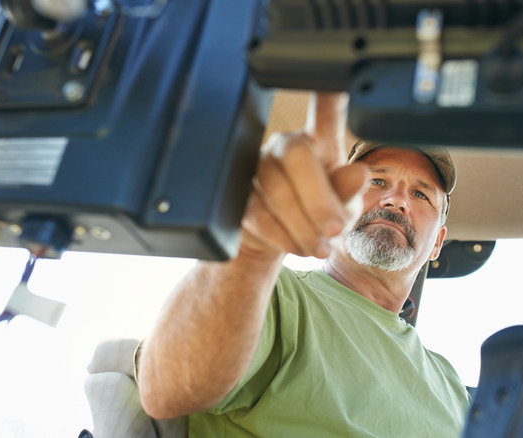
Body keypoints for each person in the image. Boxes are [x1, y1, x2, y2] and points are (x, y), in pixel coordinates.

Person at [135, 93, 470, 436]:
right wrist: (253, 246)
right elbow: (167, 390)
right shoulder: (272, 294)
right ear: (338, 202)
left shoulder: (451, 386)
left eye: (420, 194)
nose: (396, 199)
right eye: (377, 181)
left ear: (438, 243)